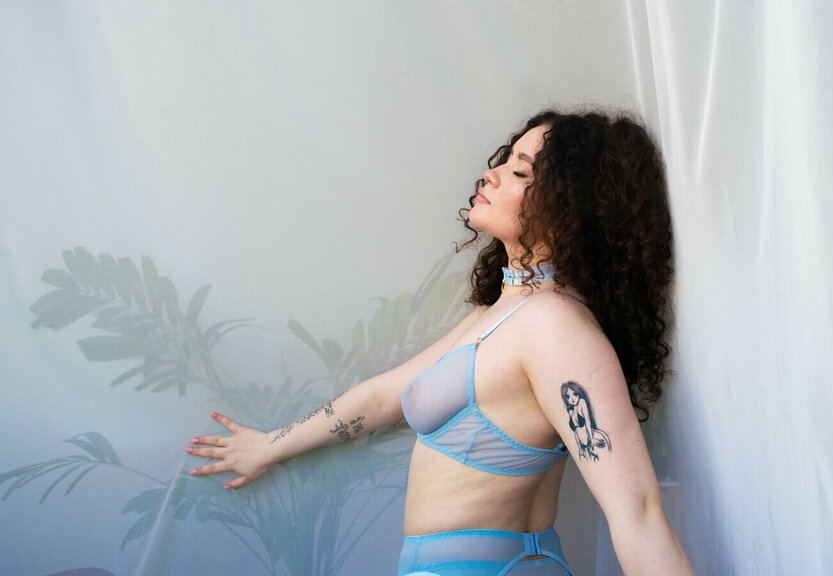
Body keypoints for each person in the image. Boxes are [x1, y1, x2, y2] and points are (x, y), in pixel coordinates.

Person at [187, 108, 696, 575]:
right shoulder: (501, 315)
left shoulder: (553, 325)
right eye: (504, 160)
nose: (491, 174)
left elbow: (639, 513)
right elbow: (382, 398)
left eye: (520, 172)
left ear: (569, 210)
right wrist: (269, 446)